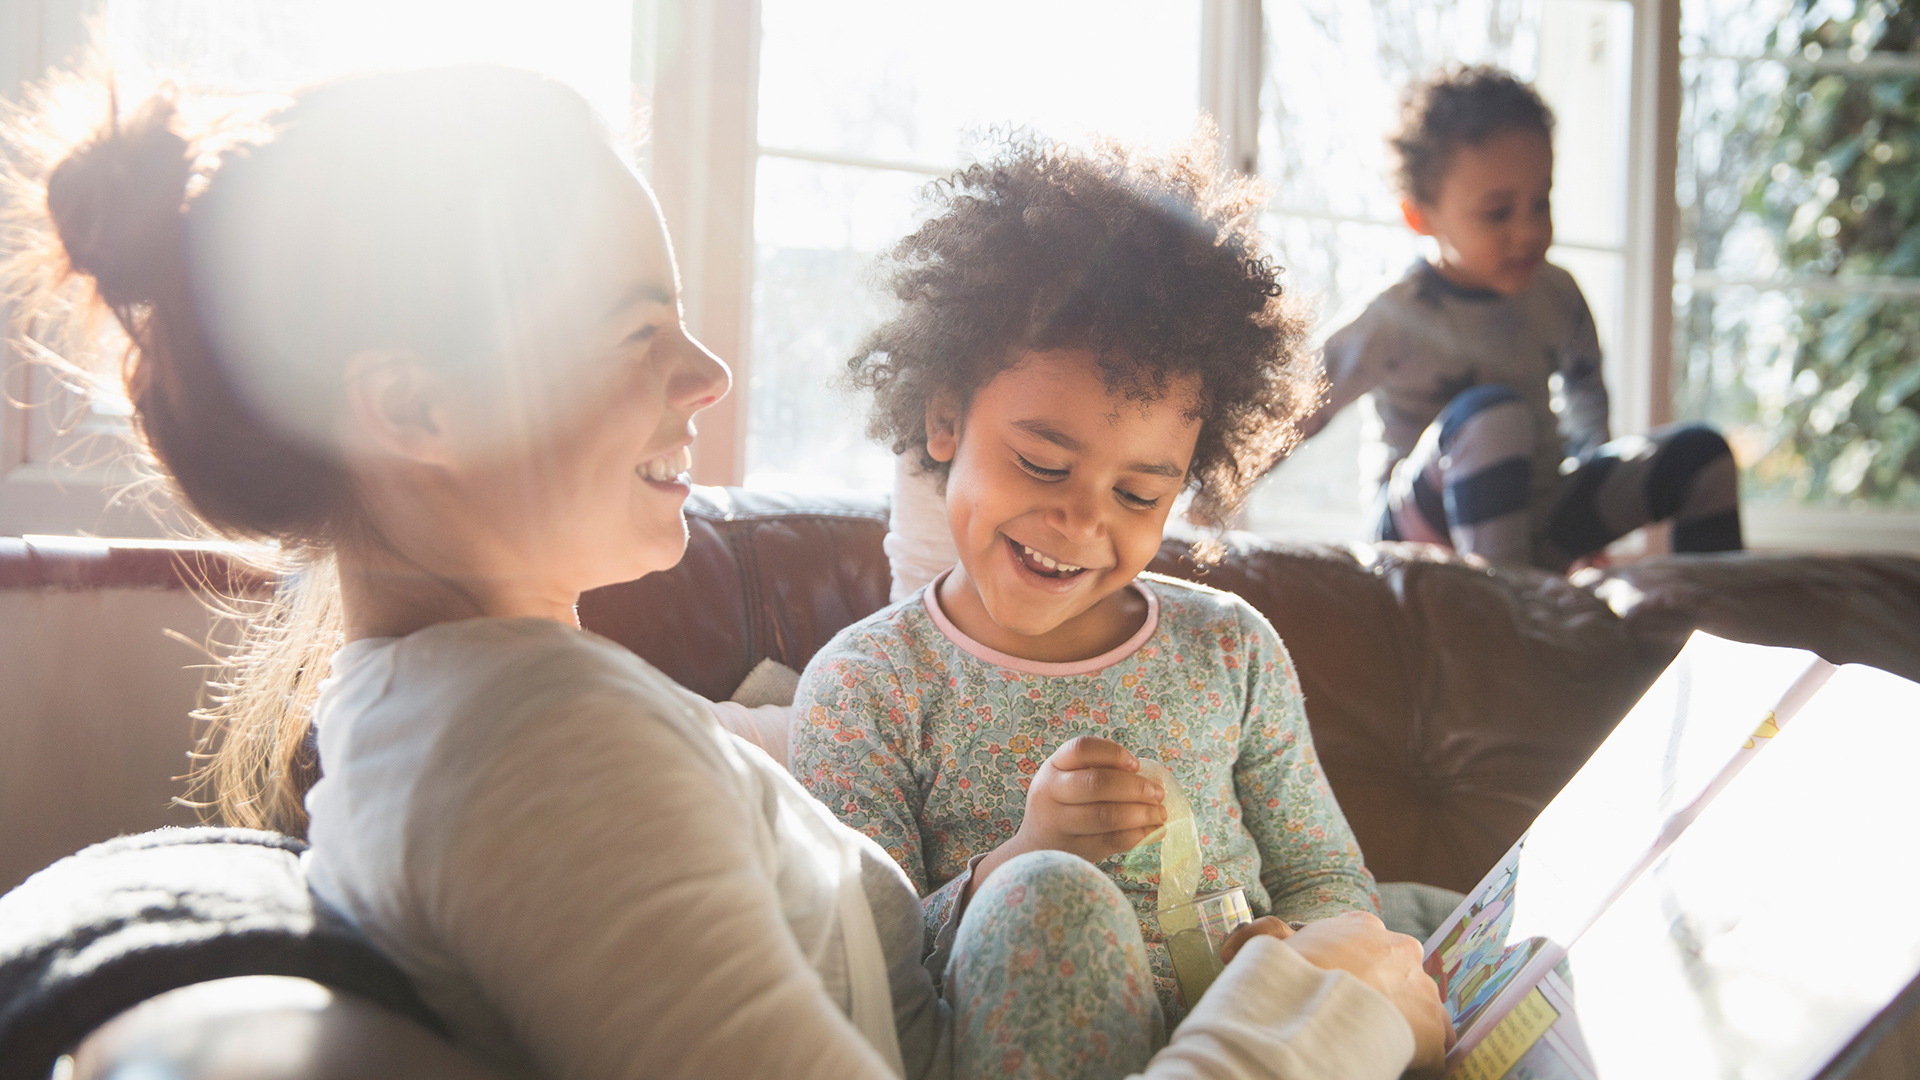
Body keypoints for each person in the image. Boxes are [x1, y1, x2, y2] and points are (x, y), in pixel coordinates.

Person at [10, 65, 1448, 1079]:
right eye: (640, 333)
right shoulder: (538, 760)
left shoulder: (486, 716)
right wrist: (1325, 1023)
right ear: (415, 414)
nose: (708, 374)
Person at [791, 133, 1398, 1033]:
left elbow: (1327, 879)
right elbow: (859, 966)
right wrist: (1025, 857)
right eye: (1041, 465)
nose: (1082, 523)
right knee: (1048, 899)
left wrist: (1295, 949)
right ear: (947, 419)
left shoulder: (1231, 650)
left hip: (1240, 1041)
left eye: (1139, 493)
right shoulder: (865, 688)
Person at [1299, 65, 1743, 570]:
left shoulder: (1557, 294)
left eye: (1541, 202)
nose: (1530, 230)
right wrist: (1210, 496)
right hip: (1423, 540)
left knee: (1701, 455)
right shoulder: (1393, 316)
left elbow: (1588, 406)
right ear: (1421, 217)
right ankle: (1511, 620)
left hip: (1541, 520)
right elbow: (1290, 411)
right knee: (1494, 417)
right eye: (1497, 212)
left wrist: (1592, 512)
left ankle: (1717, 633)